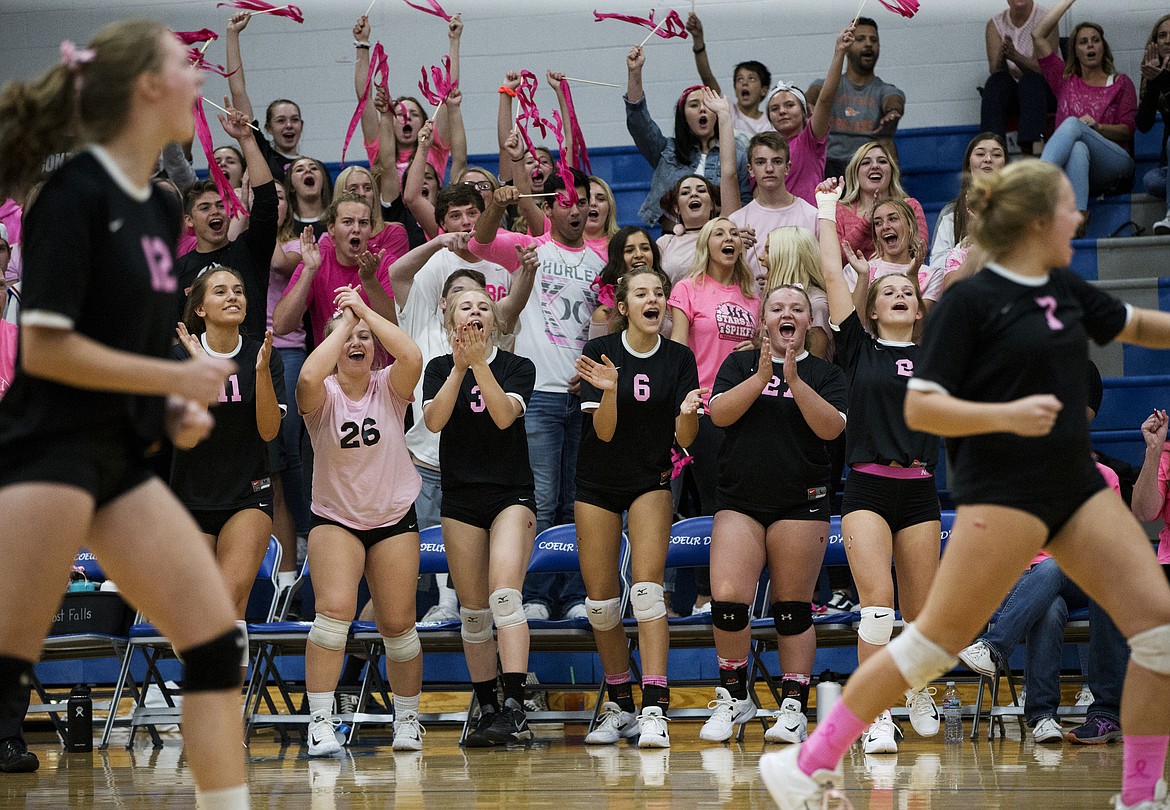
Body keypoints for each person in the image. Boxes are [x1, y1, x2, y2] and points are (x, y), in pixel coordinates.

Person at [760, 159, 1170, 810]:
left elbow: (1135, 325)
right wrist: (1007, 414)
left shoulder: (1061, 285)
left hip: (1076, 488)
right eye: (1069, 208)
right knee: (925, 640)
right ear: (1038, 220)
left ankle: (1141, 795)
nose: (1081, 218)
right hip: (1007, 490)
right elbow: (924, 409)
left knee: (1158, 631)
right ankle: (810, 759)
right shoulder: (961, 305)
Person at [0, 19, 250, 807]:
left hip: (120, 461)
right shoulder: (72, 195)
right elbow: (44, 348)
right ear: (148, 86)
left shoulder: (158, 207)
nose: (198, 76)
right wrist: (176, 376)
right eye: (186, 64)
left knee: (215, 645)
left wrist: (171, 408)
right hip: (48, 455)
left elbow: (126, 348)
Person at [815, 178, 941, 753]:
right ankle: (876, 715)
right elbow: (830, 270)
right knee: (875, 612)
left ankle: (916, 690)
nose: (897, 295)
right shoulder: (858, 346)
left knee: (918, 619)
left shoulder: (935, 354)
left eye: (906, 292)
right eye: (886, 290)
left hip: (919, 490)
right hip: (866, 486)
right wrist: (824, 210)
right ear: (872, 303)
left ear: (916, 307)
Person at [700, 284, 847, 744]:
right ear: (763, 320)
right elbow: (719, 415)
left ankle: (792, 706)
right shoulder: (739, 365)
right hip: (741, 500)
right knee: (727, 600)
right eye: (778, 308)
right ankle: (734, 696)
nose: (788, 314)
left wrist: (794, 381)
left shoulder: (825, 373)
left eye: (797, 309)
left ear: (808, 321)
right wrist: (761, 377)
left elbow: (832, 427)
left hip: (801, 502)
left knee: (791, 607)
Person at [575, 267, 702, 748]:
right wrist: (609, 390)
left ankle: (654, 707)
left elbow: (683, 439)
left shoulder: (679, 359)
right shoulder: (598, 353)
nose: (655, 300)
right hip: (597, 482)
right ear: (623, 307)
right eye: (642, 293)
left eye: (660, 293)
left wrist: (688, 414)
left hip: (651, 479)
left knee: (648, 592)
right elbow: (603, 433)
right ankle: (620, 701)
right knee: (602, 604)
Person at [298, 287, 425, 756]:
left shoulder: (389, 386)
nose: (359, 342)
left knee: (398, 624)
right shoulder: (321, 393)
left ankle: (407, 720)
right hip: (335, 518)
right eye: (349, 338)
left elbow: (411, 352)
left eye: (367, 339)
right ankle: (319, 722)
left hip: (392, 516)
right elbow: (311, 370)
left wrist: (363, 311)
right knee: (333, 615)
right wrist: (344, 324)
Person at [469, 171, 601, 620]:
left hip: (585, 398)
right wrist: (496, 205)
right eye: (565, 201)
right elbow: (479, 246)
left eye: (582, 201)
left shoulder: (602, 261)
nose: (576, 209)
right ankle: (538, 596)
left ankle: (576, 595)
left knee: (578, 502)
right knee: (542, 502)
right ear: (548, 209)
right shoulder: (531, 248)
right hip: (539, 395)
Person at [422, 288, 538, 746]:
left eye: (483, 306)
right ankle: (486, 706)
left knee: (504, 597)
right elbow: (434, 422)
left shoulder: (516, 367)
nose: (475, 311)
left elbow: (505, 415)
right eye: (465, 306)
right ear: (451, 321)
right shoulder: (437, 369)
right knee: (472, 615)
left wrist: (480, 364)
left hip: (511, 494)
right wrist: (458, 367)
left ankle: (514, 707)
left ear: (496, 320)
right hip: (461, 497)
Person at [172, 269, 284, 652]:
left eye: (238, 290)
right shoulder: (178, 356)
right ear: (200, 307)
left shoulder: (263, 354)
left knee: (226, 597)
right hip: (189, 498)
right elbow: (186, 436)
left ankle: (224, 707)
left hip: (247, 495)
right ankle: (214, 705)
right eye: (220, 292)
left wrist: (262, 373)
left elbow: (269, 432)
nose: (233, 297)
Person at [669, 217, 758, 614]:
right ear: (705, 244)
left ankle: (738, 590)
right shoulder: (688, 288)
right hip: (703, 408)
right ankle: (707, 594)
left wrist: (753, 349)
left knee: (743, 502)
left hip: (747, 411)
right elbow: (675, 351)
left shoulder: (754, 295)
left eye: (733, 233)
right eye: (719, 233)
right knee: (712, 499)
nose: (728, 238)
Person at [175, 102, 277, 339]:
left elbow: (267, 201)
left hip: (251, 363)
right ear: (189, 220)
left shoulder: (250, 250)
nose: (216, 212)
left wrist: (247, 140)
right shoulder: (178, 270)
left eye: (220, 205)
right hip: (202, 369)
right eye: (205, 207)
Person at [1034, 0, 1137, 229]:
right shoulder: (1064, 80)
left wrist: (1098, 128)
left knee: (1073, 125)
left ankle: (1036, 182)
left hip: (1115, 163)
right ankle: (1079, 218)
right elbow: (1038, 35)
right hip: (1077, 167)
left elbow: (1128, 130)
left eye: (1095, 40)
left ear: (1103, 47)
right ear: (1075, 50)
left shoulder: (1121, 83)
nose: (1090, 46)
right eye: (1083, 42)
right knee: (1078, 148)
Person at [624, 44, 749, 228]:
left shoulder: (737, 154)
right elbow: (639, 123)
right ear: (683, 116)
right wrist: (635, 73)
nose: (702, 109)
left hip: (718, 238)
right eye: (694, 105)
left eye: (707, 103)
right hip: (674, 239)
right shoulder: (667, 150)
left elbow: (744, 202)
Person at [272, 194, 397, 348]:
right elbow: (281, 326)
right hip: (332, 368)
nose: (356, 229)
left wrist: (370, 280)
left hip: (381, 368)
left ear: (371, 230)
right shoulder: (316, 263)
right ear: (331, 228)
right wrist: (309, 271)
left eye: (363, 223)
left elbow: (396, 327)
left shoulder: (384, 263)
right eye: (347, 222)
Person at [806, 16, 905, 180]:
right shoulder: (828, 87)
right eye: (861, 39)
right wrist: (806, 102)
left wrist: (893, 111)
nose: (868, 44)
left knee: (887, 144)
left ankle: (894, 199)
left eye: (873, 40)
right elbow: (816, 92)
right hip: (830, 167)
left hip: (866, 165)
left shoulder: (884, 90)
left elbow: (894, 100)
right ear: (848, 45)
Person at [766, 26, 854, 204]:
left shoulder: (810, 140)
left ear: (805, 112)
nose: (782, 111)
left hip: (809, 225)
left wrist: (839, 52)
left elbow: (825, 99)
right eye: (775, 108)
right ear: (768, 117)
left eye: (789, 105)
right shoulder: (762, 151)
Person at [727, 132, 819, 282]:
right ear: (750, 169)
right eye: (760, 162)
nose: (769, 169)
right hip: (750, 302)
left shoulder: (812, 216)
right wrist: (735, 249)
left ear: (787, 167)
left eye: (777, 161)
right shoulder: (736, 220)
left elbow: (821, 272)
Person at [224, 11, 302, 181]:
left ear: (301, 125)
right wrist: (232, 34)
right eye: (281, 120)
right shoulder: (262, 154)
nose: (289, 125)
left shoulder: (312, 166)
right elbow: (238, 92)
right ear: (268, 127)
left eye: (294, 120)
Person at [981, 0, 1060, 157]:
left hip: (1043, 93)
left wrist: (1015, 57)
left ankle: (1034, 151)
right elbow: (996, 71)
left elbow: (1043, 70)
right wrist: (1003, 56)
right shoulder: (994, 25)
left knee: (1031, 80)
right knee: (995, 82)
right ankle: (992, 151)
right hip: (1013, 94)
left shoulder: (1046, 19)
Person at [834, 141, 928, 262]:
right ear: (855, 174)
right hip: (851, 280)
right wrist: (866, 222)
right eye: (866, 162)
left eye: (882, 161)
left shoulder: (910, 205)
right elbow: (835, 260)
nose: (875, 166)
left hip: (902, 278)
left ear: (892, 171)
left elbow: (919, 252)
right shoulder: (840, 210)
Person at [684, 12, 772, 137]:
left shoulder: (770, 124)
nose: (744, 82)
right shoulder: (726, 110)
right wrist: (698, 39)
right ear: (735, 89)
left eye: (751, 78)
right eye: (739, 79)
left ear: (764, 90)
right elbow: (707, 76)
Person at [843, 197, 941, 309]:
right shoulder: (855, 272)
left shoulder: (933, 275)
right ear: (876, 235)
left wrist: (913, 276)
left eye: (893, 219)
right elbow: (853, 324)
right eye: (878, 223)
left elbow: (920, 324)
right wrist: (863, 277)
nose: (885, 226)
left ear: (910, 226)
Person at [928, 133, 1007, 264]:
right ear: (969, 164)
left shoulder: (1017, 209)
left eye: (996, 155)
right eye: (980, 154)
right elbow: (937, 266)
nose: (988, 159)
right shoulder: (951, 212)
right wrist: (969, 243)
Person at [656, 175, 731, 284]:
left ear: (712, 205)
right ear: (677, 209)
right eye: (685, 193)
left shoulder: (726, 238)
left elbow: (730, 175)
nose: (694, 194)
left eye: (701, 190)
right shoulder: (665, 243)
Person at [1138, 14, 1170, 234]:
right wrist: (1153, 84)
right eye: (1162, 35)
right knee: (1151, 180)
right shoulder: (1156, 74)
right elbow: (1143, 125)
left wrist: (1165, 81)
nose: (1167, 40)